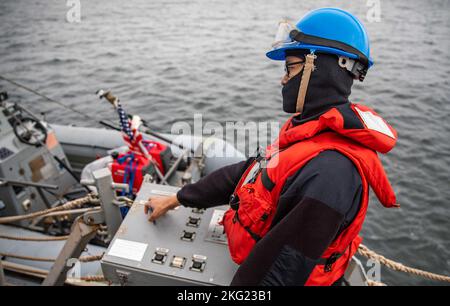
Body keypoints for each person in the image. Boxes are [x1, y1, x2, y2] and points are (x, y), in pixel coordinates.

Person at [144, 7, 399, 286]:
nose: (283, 79)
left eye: (291, 68)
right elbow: (248, 171)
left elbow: (278, 274)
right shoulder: (309, 133)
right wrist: (178, 198)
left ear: (319, 69)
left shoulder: (331, 174)